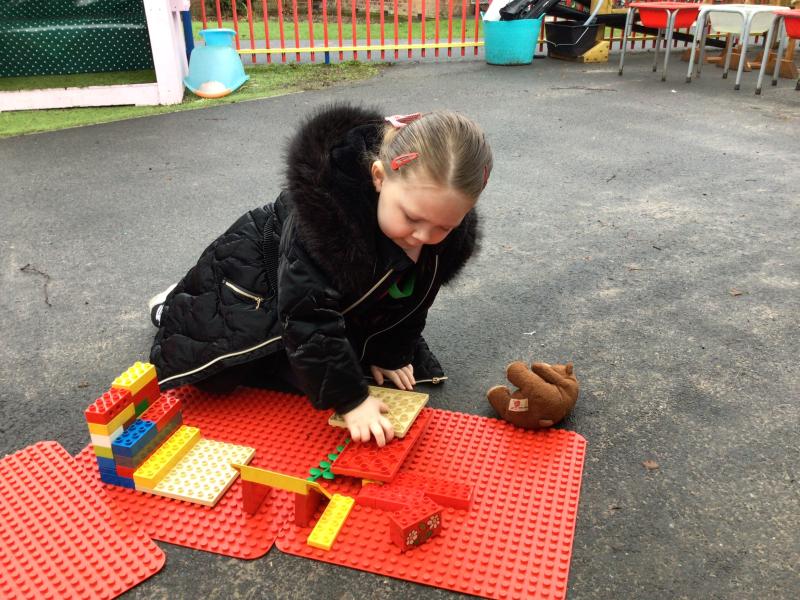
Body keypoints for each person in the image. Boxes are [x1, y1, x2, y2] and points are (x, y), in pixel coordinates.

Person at [148, 103, 492, 447]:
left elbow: (411, 301)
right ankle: (168, 305)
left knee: (341, 361)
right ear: (379, 177)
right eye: (412, 218)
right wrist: (351, 401)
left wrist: (390, 353)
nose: (423, 236)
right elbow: (307, 317)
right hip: (251, 284)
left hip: (324, 296)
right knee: (217, 375)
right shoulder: (326, 220)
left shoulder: (438, 234)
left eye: (444, 227)